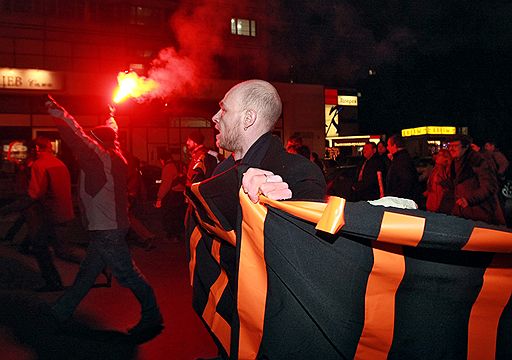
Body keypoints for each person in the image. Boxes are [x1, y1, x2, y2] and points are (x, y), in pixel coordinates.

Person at [186, 79, 326, 358]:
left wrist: (278, 208)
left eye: (223, 111)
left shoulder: (299, 172)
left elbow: (307, 259)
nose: (214, 118)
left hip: (271, 334)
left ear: (248, 118)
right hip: (232, 320)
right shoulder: (221, 172)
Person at [45, 98, 163, 339]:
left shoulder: (97, 156)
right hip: (110, 226)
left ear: (96, 142)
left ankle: (152, 316)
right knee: (88, 273)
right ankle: (61, 310)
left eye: (93, 138)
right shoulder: (114, 154)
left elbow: (74, 133)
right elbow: (113, 135)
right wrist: (112, 115)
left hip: (106, 228)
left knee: (128, 274)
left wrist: (56, 109)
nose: (89, 140)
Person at [0, 136, 76, 291]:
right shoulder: (60, 163)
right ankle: (57, 280)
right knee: (59, 249)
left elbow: (34, 194)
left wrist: (6, 209)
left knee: (48, 249)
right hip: (64, 212)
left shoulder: (40, 165)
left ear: (36, 149)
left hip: (49, 215)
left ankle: (54, 282)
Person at [448, 135, 505, 225]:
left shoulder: (477, 161)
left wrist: (469, 200)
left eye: (455, 146)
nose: (451, 149)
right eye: (449, 146)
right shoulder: (455, 162)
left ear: (466, 147)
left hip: (479, 214)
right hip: (463, 213)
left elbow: (489, 186)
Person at [155, 150, 186, 242]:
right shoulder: (178, 165)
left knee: (170, 216)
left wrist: (159, 197)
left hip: (173, 195)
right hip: (181, 194)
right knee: (179, 216)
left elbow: (166, 185)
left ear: (162, 159)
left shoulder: (168, 167)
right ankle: (179, 235)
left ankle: (172, 236)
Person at [385, 134, 420, 202]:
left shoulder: (401, 161)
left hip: (401, 200)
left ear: (394, 146)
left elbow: (405, 183)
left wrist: (392, 197)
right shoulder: (401, 158)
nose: (387, 148)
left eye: (388, 145)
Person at [424, 149, 453, 213]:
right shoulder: (435, 169)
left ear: (446, 158)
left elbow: (445, 183)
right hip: (432, 197)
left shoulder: (447, 170)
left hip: (440, 198)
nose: (437, 156)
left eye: (440, 155)